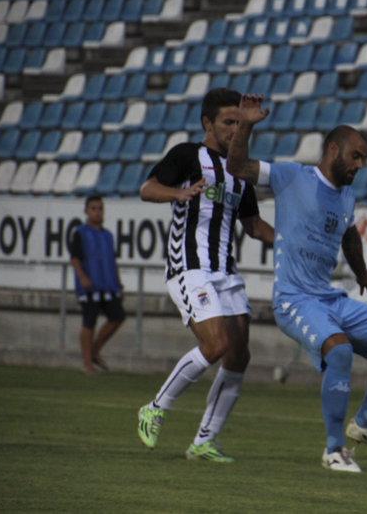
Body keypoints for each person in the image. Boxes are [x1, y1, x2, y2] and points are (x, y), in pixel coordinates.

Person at [226, 95, 367, 473]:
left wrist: (362, 275)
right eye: (356, 156)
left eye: (363, 159)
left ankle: (366, 423)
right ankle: (334, 450)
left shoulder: (347, 194)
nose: (360, 165)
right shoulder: (291, 176)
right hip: (293, 299)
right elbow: (237, 165)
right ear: (334, 149)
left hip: (329, 298)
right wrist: (246, 125)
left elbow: (349, 236)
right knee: (340, 351)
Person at [137, 88, 275, 462]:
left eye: (238, 122)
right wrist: (177, 195)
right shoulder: (187, 155)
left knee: (238, 356)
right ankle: (155, 407)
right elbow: (147, 189)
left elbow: (254, 226)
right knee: (214, 347)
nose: (234, 129)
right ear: (207, 123)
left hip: (225, 272)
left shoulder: (239, 170)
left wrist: (293, 243)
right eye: (228, 122)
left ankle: (203, 442)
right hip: (190, 267)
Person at [70, 195, 126, 375]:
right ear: (86, 211)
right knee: (89, 321)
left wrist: (119, 284)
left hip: (108, 284)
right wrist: (82, 277)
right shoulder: (80, 233)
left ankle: (94, 351)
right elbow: (75, 258)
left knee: (118, 316)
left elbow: (112, 260)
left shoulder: (107, 235)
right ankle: (87, 363)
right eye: (93, 208)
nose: (97, 212)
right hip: (90, 285)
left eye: (100, 208)